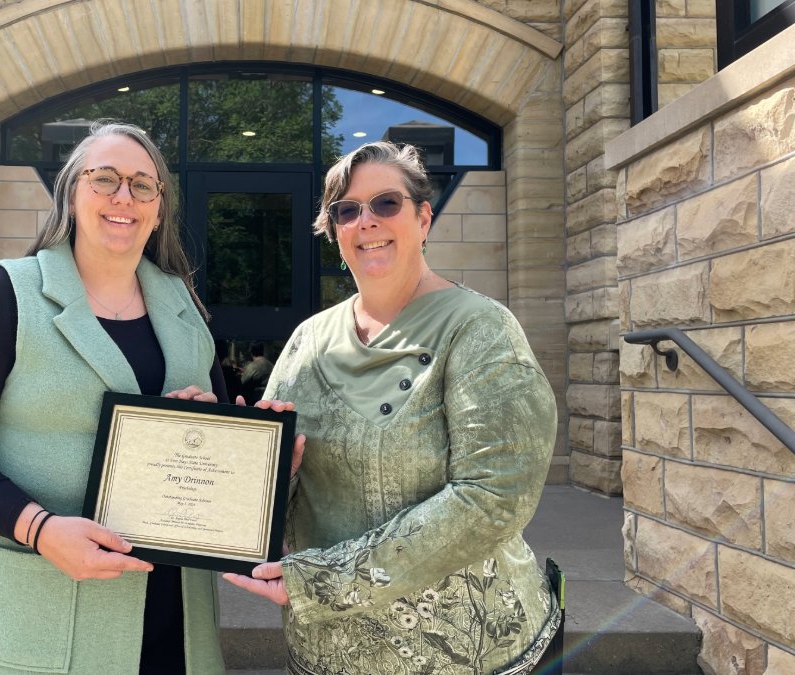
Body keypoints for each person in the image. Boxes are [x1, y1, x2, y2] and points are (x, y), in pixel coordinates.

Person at [224, 142, 561, 675]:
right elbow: (280, 487)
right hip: (326, 654)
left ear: (423, 218)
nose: (367, 221)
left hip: (467, 654)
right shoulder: (307, 341)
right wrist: (267, 470)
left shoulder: (478, 330)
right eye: (347, 210)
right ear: (334, 232)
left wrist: (326, 581)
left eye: (386, 203)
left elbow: (496, 495)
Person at [0, 122, 230, 674]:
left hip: (176, 623)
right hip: (48, 613)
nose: (123, 197)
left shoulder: (184, 307)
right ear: (72, 194)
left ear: (158, 209)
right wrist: (39, 529)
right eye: (104, 179)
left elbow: (219, 441)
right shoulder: (8, 294)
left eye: (141, 185)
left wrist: (253, 454)